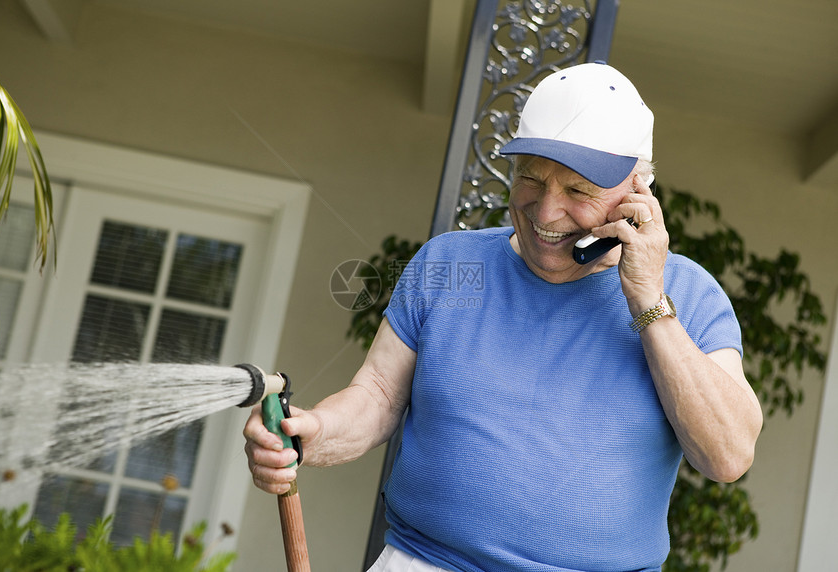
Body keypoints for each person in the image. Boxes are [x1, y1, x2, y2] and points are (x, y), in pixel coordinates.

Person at [243, 62, 763, 572]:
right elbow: (377, 395)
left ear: (636, 194)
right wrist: (311, 432)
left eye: (578, 192)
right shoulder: (450, 263)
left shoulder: (689, 295)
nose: (545, 211)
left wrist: (647, 298)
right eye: (530, 179)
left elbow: (728, 455)